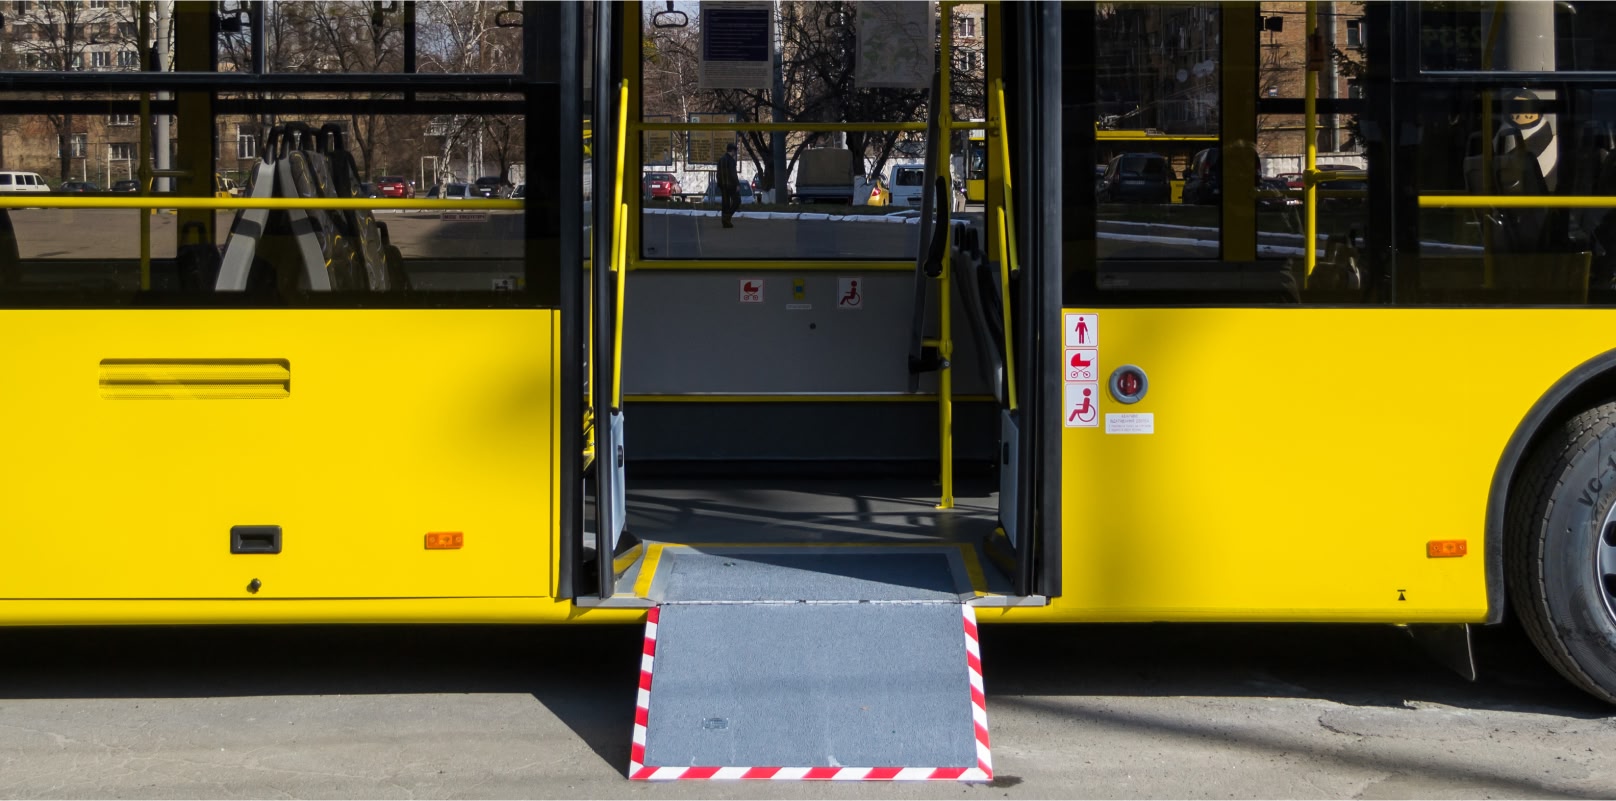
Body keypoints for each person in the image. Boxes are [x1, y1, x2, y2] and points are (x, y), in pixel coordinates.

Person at [717, 143, 740, 228]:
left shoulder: (721, 159)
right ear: (733, 151)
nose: (735, 154)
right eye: (735, 151)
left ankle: (725, 221)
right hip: (731, 185)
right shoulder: (731, 161)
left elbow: (718, 174)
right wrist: (737, 184)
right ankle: (727, 218)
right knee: (737, 201)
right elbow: (733, 174)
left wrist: (719, 183)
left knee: (725, 203)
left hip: (723, 185)